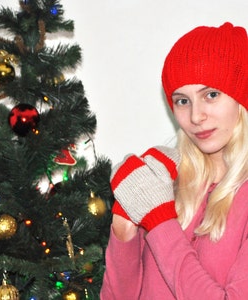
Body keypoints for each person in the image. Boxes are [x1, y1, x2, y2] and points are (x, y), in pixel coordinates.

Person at [100, 22, 248, 299]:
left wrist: (159, 221)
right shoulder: (167, 184)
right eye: (182, 101)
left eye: (211, 95)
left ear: (242, 99)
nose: (195, 116)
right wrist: (124, 228)